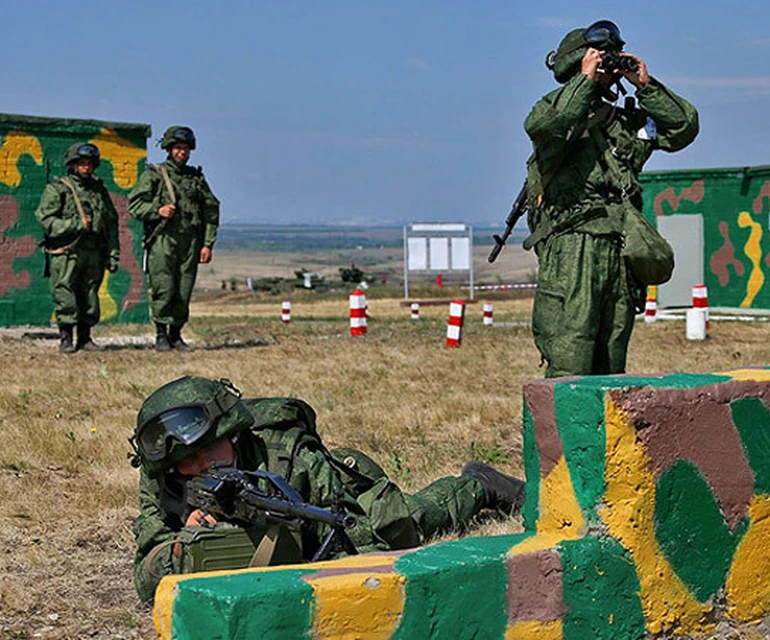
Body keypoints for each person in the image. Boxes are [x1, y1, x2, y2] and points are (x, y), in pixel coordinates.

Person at [131, 376, 524, 604]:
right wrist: (185, 547)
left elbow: (357, 546)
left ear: (232, 435)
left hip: (342, 505)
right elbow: (145, 575)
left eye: (208, 451)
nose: (200, 466)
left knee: (409, 523)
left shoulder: (290, 456)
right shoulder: (165, 477)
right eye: (188, 461)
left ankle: (480, 484)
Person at [524, 20, 699, 377]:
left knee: (611, 358)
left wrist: (646, 86)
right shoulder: (556, 114)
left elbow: (683, 128)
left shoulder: (625, 121)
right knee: (570, 353)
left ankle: (605, 432)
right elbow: (546, 125)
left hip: (619, 249)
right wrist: (585, 81)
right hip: (573, 246)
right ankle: (565, 432)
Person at [128, 126, 219, 352]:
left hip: (190, 242)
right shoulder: (155, 174)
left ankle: (176, 335)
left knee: (183, 289)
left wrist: (207, 243)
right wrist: (157, 210)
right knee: (163, 286)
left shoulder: (195, 178)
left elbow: (211, 209)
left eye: (186, 149)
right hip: (163, 240)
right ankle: (161, 334)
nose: (182, 153)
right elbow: (134, 204)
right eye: (178, 148)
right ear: (169, 149)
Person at [35, 143, 120, 353]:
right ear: (72, 164)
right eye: (81, 163)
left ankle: (85, 338)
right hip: (66, 252)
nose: (86, 167)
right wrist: (75, 224)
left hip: (93, 252)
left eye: (89, 163)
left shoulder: (98, 190)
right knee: (65, 293)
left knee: (89, 295)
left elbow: (111, 222)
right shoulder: (59, 188)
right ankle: (65, 338)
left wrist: (113, 252)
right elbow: (45, 219)